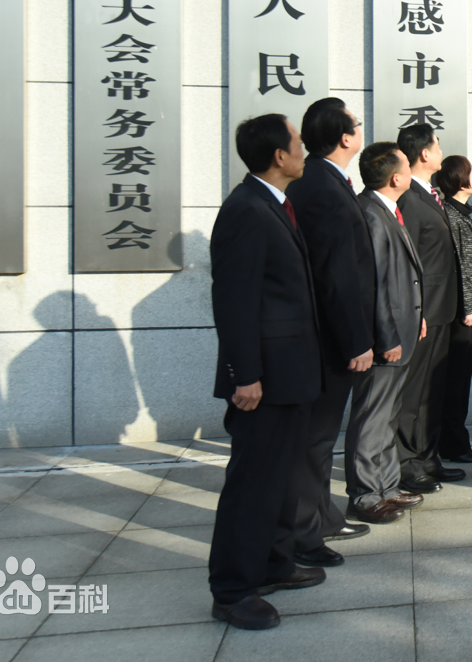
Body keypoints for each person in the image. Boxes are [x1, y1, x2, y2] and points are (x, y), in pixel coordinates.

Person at [207, 114, 326, 630]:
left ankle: (275, 563)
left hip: (291, 373)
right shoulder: (246, 210)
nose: (304, 151)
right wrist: (244, 374)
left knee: (280, 477)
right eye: (298, 144)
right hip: (264, 380)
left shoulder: (275, 205)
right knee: (253, 483)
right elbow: (234, 301)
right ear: (279, 156)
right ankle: (232, 589)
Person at [284, 98, 375, 567]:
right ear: (345, 137)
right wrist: (357, 340)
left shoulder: (324, 181)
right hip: (326, 338)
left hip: (326, 334)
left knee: (319, 440)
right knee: (315, 441)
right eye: (356, 124)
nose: (359, 130)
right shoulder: (322, 186)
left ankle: (324, 518)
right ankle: (304, 535)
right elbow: (338, 275)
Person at [345, 142, 427, 526]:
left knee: (387, 415)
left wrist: (418, 315)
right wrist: (386, 337)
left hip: (402, 331)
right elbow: (372, 284)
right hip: (386, 340)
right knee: (371, 418)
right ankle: (364, 495)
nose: (412, 171)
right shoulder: (371, 214)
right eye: (408, 166)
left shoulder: (387, 210)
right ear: (396, 177)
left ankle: (387, 487)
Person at [393, 125, 463, 494]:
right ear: (424, 153)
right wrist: (415, 310)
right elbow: (409, 260)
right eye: (437, 144)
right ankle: (407, 464)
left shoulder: (431, 195)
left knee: (434, 388)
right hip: (423, 312)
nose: (440, 150)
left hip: (442, 309)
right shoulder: (408, 198)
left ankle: (428, 456)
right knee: (414, 391)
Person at [435, 155, 472, 463]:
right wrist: (470, 306)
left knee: (459, 379)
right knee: (455, 380)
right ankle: (453, 444)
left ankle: (455, 441)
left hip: (465, 312)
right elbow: (459, 267)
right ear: (460, 181)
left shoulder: (459, 215)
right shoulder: (451, 216)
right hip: (459, 316)